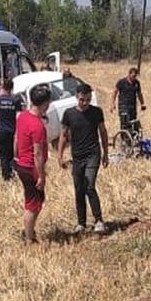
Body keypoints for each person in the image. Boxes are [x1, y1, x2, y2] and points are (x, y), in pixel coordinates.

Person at [58, 83, 109, 234]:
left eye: (88, 99)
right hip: (77, 156)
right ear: (76, 97)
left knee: (89, 186)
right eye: (82, 100)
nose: (85, 103)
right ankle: (81, 223)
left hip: (93, 154)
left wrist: (106, 153)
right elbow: (63, 135)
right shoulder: (69, 114)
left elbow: (103, 132)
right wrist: (60, 156)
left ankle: (99, 221)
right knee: (79, 189)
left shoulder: (96, 112)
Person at [13, 86, 52, 244]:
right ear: (45, 104)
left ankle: (29, 230)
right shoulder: (38, 126)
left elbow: (16, 138)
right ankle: (29, 237)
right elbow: (38, 153)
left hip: (22, 164)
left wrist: (16, 156)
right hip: (31, 168)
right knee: (33, 204)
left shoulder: (22, 116)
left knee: (36, 200)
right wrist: (41, 176)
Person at [0, 78, 23, 181]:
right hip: (12, 131)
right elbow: (18, 117)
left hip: (0, 130)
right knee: (12, 154)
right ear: (12, 88)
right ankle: (13, 172)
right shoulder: (16, 100)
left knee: (3, 156)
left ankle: (6, 177)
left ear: (2, 86)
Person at [110, 67, 146, 133]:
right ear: (129, 74)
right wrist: (113, 103)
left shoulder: (137, 83)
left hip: (132, 106)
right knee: (124, 123)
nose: (134, 78)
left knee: (133, 123)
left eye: (135, 76)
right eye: (133, 76)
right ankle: (124, 137)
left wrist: (142, 103)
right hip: (123, 106)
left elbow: (139, 94)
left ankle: (133, 137)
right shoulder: (121, 82)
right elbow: (115, 92)